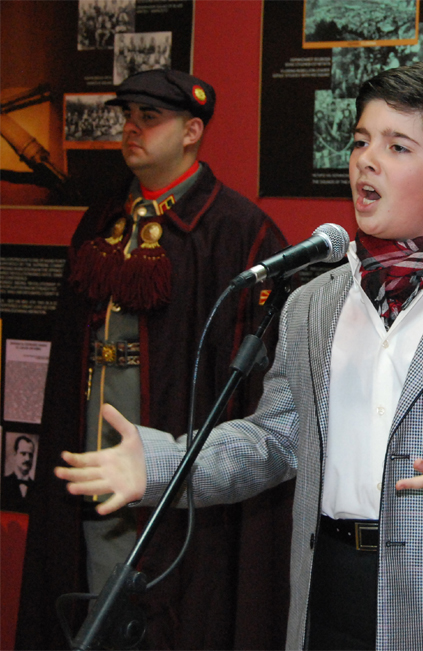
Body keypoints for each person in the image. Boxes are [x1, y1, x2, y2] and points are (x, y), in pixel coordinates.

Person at [56, 61, 423, 650]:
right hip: (326, 590)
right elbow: (273, 439)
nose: (366, 160)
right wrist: (164, 465)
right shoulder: (312, 302)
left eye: (397, 146)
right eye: (361, 141)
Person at [17, 69, 291, 651]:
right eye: (128, 116)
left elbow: (259, 391)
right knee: (89, 582)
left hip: (177, 465)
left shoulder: (239, 232)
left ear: (192, 131)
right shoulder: (100, 219)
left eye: (150, 118)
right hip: (93, 435)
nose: (132, 128)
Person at [1, 435, 36, 512]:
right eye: (23, 453)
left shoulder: (37, 487)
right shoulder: (3, 483)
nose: (27, 459)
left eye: (30, 455)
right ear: (15, 455)